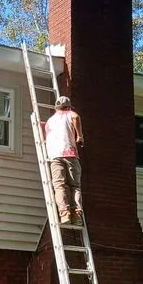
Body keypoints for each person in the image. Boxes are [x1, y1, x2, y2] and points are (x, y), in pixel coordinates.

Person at [44, 96, 84, 225]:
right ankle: (77, 215)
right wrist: (80, 136)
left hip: (54, 156)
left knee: (59, 185)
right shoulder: (68, 114)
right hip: (69, 153)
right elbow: (76, 117)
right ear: (68, 107)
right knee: (75, 186)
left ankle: (64, 214)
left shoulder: (50, 121)